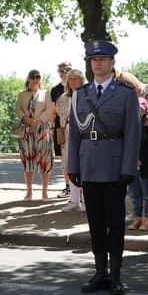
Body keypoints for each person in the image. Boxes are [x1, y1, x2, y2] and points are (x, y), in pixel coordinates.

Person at [67, 40, 141, 295]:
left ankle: (116, 275)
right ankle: (100, 272)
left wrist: (128, 167)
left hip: (114, 164)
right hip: (88, 163)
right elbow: (75, 134)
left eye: (103, 59)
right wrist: (72, 166)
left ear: (112, 63)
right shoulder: (80, 94)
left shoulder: (125, 93)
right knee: (95, 222)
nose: (98, 63)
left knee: (115, 222)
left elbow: (133, 133)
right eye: (94, 59)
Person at [16, 70, 56, 200]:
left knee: (44, 161)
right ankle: (29, 192)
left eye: (37, 77)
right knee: (28, 161)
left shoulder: (45, 93)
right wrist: (27, 120)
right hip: (26, 131)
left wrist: (37, 121)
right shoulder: (22, 94)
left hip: (42, 130)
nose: (35, 79)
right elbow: (18, 110)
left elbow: (49, 110)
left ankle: (45, 192)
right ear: (28, 79)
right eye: (32, 77)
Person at [55, 69, 86, 211]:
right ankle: (74, 200)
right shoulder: (63, 97)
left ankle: (86, 201)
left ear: (82, 79)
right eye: (70, 78)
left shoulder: (88, 95)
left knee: (85, 166)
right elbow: (62, 115)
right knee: (70, 166)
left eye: (76, 78)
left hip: (85, 133)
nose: (73, 81)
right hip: (68, 133)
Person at [127, 97, 148, 232]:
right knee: (134, 194)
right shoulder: (128, 127)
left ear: (146, 110)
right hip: (131, 166)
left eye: (141, 108)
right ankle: (137, 217)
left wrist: (141, 159)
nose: (138, 111)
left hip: (146, 166)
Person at [51, 62, 72, 197]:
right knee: (64, 159)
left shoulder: (78, 86)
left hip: (77, 127)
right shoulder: (55, 90)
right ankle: (68, 187)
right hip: (60, 127)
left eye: (67, 69)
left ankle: (79, 190)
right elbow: (53, 110)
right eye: (61, 70)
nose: (63, 72)